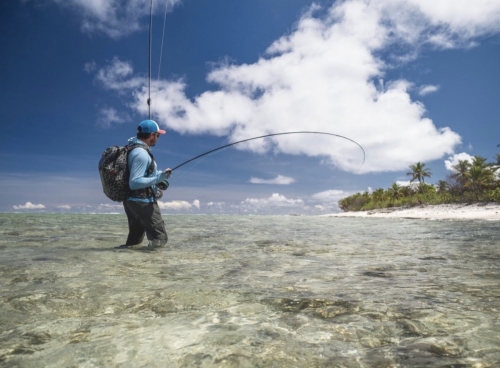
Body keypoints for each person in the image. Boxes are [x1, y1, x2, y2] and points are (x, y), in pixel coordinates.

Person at [119, 119, 171, 249]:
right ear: (152, 135)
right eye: (157, 135)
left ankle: (124, 264)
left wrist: (160, 175)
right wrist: (159, 177)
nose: (158, 138)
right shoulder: (141, 154)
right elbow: (135, 182)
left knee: (134, 241)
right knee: (160, 239)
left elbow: (142, 173)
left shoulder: (133, 149)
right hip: (142, 202)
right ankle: (154, 268)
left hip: (131, 201)